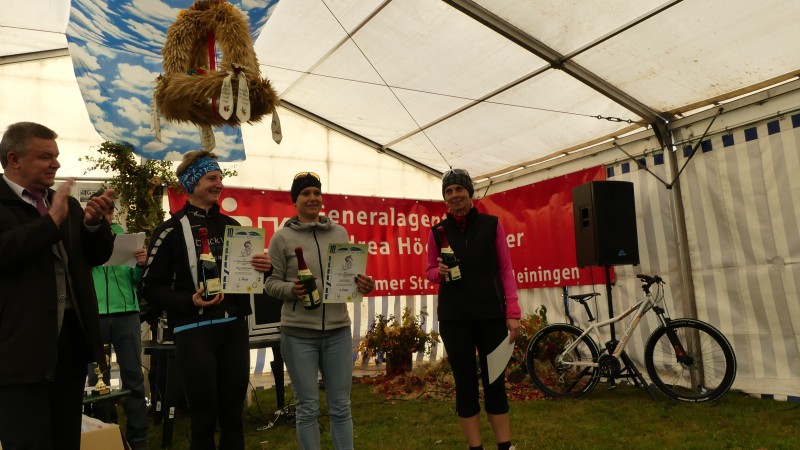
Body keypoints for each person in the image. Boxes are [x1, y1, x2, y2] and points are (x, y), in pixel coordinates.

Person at [139, 150, 272, 450]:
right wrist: (190, 301)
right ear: (193, 182)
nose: (219, 184)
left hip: (234, 328)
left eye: (220, 178)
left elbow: (250, 278)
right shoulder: (169, 230)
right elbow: (150, 287)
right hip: (193, 331)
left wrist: (265, 268)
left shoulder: (234, 227)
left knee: (233, 416)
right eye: (212, 178)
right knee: (203, 417)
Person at [0, 122, 116, 450]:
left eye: (56, 155)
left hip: (68, 345)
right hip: (17, 350)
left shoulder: (66, 204)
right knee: (28, 442)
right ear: (14, 159)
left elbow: (95, 257)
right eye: (45, 156)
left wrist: (93, 225)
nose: (56, 163)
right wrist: (50, 222)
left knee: (66, 438)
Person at [265, 172, 374, 450]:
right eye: (305, 193)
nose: (312, 198)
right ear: (295, 200)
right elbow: (270, 284)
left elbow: (348, 276)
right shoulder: (281, 238)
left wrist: (363, 284)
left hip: (338, 331)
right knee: (307, 407)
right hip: (298, 334)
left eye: (316, 193)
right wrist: (291, 290)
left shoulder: (340, 233)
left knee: (341, 406)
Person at [425, 168, 520, 450]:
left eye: (459, 189)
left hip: (491, 315)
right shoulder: (437, 232)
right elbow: (429, 271)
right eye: (449, 191)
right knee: (465, 384)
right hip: (455, 319)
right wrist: (439, 272)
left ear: (469, 192)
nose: (454, 195)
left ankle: (505, 446)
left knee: (495, 382)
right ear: (445, 197)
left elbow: (505, 270)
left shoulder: (492, 225)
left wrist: (512, 313)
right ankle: (475, 448)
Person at [85, 194, 149, 450]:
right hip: (95, 315)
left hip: (127, 314)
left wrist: (141, 265)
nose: (107, 215)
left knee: (133, 376)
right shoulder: (83, 237)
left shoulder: (124, 237)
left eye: (110, 210)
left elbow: (133, 279)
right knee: (97, 381)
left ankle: (138, 437)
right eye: (103, 210)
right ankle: (105, 433)